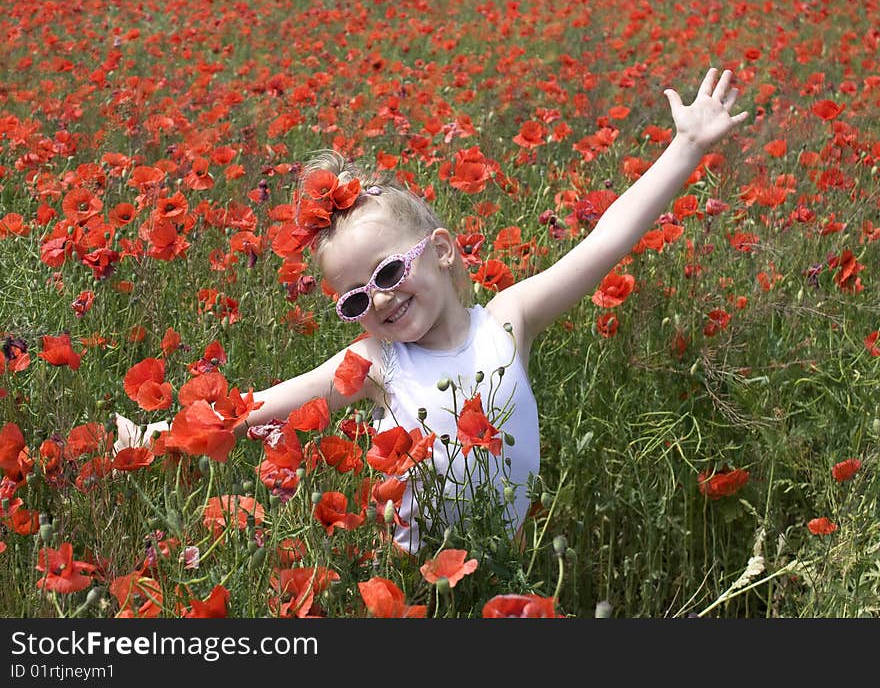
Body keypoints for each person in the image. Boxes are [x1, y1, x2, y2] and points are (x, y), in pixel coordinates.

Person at [115, 67, 748, 555]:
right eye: (356, 298)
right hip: (421, 569)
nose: (381, 299)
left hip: (510, 554)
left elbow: (604, 242)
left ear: (441, 251)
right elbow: (257, 408)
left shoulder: (508, 320)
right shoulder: (375, 360)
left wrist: (684, 151)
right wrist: (159, 436)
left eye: (389, 272)